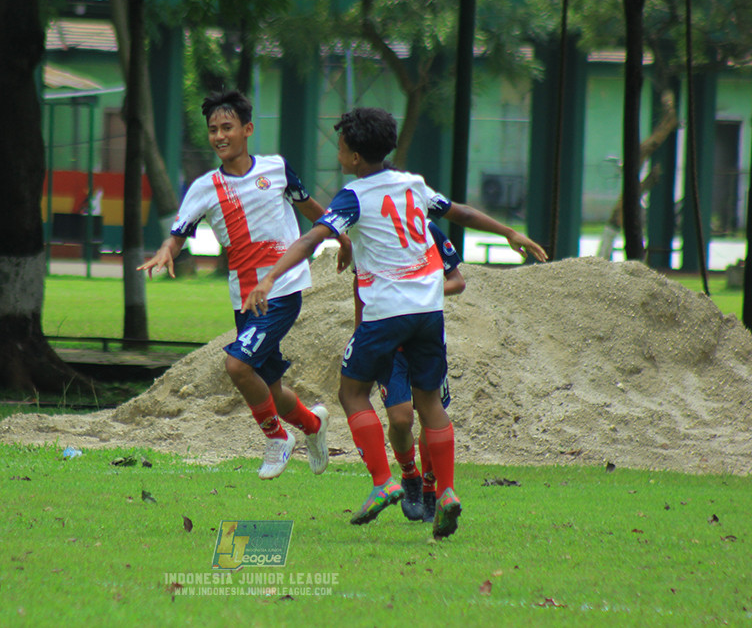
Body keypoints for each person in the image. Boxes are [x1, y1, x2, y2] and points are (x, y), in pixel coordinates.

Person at [241, 107, 547, 537]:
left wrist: (269, 278)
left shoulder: (354, 195)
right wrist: (509, 232)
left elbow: (312, 238)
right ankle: (446, 491)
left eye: (341, 148)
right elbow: (459, 212)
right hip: (429, 312)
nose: (339, 154)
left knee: (352, 392)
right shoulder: (413, 185)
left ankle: (383, 481)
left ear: (353, 156)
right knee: (430, 404)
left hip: (386, 313)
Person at [138, 90, 351, 481]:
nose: (219, 136)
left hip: (281, 290)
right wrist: (166, 250)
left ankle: (276, 439)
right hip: (245, 298)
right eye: (213, 130)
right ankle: (313, 425)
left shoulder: (276, 169)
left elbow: (309, 208)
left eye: (227, 127)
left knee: (237, 366)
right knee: (271, 388)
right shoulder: (204, 187)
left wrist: (343, 237)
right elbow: (178, 234)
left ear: (247, 129)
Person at [359, 221, 464, 523]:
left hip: (426, 339)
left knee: (431, 414)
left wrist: (420, 294)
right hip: (389, 343)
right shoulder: (371, 229)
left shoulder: (427, 228)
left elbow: (457, 281)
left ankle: (431, 487)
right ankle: (410, 476)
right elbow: (360, 286)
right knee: (400, 418)